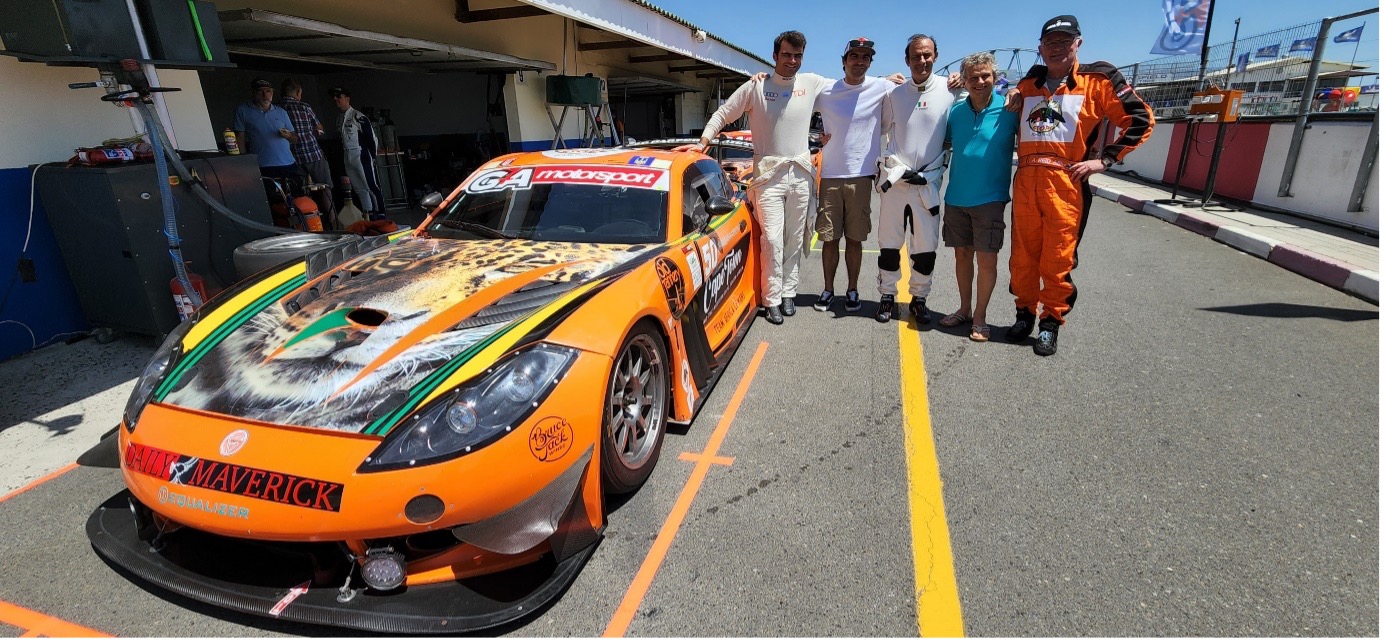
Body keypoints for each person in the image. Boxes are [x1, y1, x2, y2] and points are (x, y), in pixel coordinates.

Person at [1007, 15, 1154, 355]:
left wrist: (1105, 159)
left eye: (1064, 41)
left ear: (1078, 44)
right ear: (1040, 48)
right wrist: (1013, 90)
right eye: (1050, 43)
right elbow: (1002, 96)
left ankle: (1050, 323)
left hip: (1067, 184)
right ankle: (1024, 314)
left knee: (1057, 259)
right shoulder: (1029, 83)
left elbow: (1141, 118)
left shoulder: (1098, 79)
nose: (1057, 48)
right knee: (1022, 257)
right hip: (1027, 180)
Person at [693, 31, 832, 325]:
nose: (792, 61)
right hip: (768, 177)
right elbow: (723, 113)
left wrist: (889, 81)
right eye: (786, 55)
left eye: (798, 56)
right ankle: (771, 299)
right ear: (775, 56)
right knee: (771, 239)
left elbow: (851, 90)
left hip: (801, 175)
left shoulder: (812, 83)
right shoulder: (756, 86)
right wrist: (704, 140)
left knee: (795, 238)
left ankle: (789, 293)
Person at [939, 51, 1019, 342]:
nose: (980, 81)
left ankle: (981, 317)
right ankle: (964, 308)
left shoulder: (1010, 109)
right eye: (973, 77)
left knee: (986, 261)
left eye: (985, 76)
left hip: (990, 199)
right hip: (956, 196)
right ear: (966, 81)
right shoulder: (957, 112)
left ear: (995, 77)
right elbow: (942, 142)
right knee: (961, 255)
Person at [874, 34, 954, 324]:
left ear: (936, 56)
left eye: (927, 55)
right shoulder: (893, 94)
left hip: (928, 185)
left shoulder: (951, 89)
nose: (922, 60)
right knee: (889, 244)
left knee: (924, 248)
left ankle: (919, 298)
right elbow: (876, 128)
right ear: (906, 60)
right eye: (916, 56)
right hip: (896, 183)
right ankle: (886, 295)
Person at [811, 38, 894, 315]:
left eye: (865, 57)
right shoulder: (826, 90)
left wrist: (953, 81)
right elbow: (795, 107)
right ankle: (827, 289)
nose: (859, 61)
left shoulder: (881, 87)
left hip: (861, 175)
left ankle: (853, 289)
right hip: (831, 175)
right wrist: (811, 138)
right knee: (829, 238)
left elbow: (915, 89)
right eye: (854, 56)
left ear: (870, 63)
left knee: (855, 239)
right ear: (844, 60)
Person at [277, 78, 334, 220]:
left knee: (299, 193)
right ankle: (332, 221)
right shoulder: (304, 107)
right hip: (312, 154)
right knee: (325, 188)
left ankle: (308, 222)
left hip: (291, 158)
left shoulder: (277, 109)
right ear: (297, 93)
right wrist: (315, 131)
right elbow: (319, 129)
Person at [329, 86, 385, 219]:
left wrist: (372, 157)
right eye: (334, 97)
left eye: (339, 96)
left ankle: (381, 213)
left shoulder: (358, 116)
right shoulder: (339, 118)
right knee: (359, 188)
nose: (335, 99)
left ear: (347, 99)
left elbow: (371, 138)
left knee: (370, 185)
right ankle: (368, 213)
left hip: (361, 154)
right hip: (347, 155)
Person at [232, 78, 298, 179]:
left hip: (288, 163)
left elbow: (295, 139)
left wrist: (288, 135)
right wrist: (244, 161)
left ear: (272, 92)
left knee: (295, 194)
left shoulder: (281, 112)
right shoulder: (242, 110)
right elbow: (240, 136)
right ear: (253, 93)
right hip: (262, 165)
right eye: (260, 91)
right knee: (269, 194)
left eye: (268, 91)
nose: (265, 95)